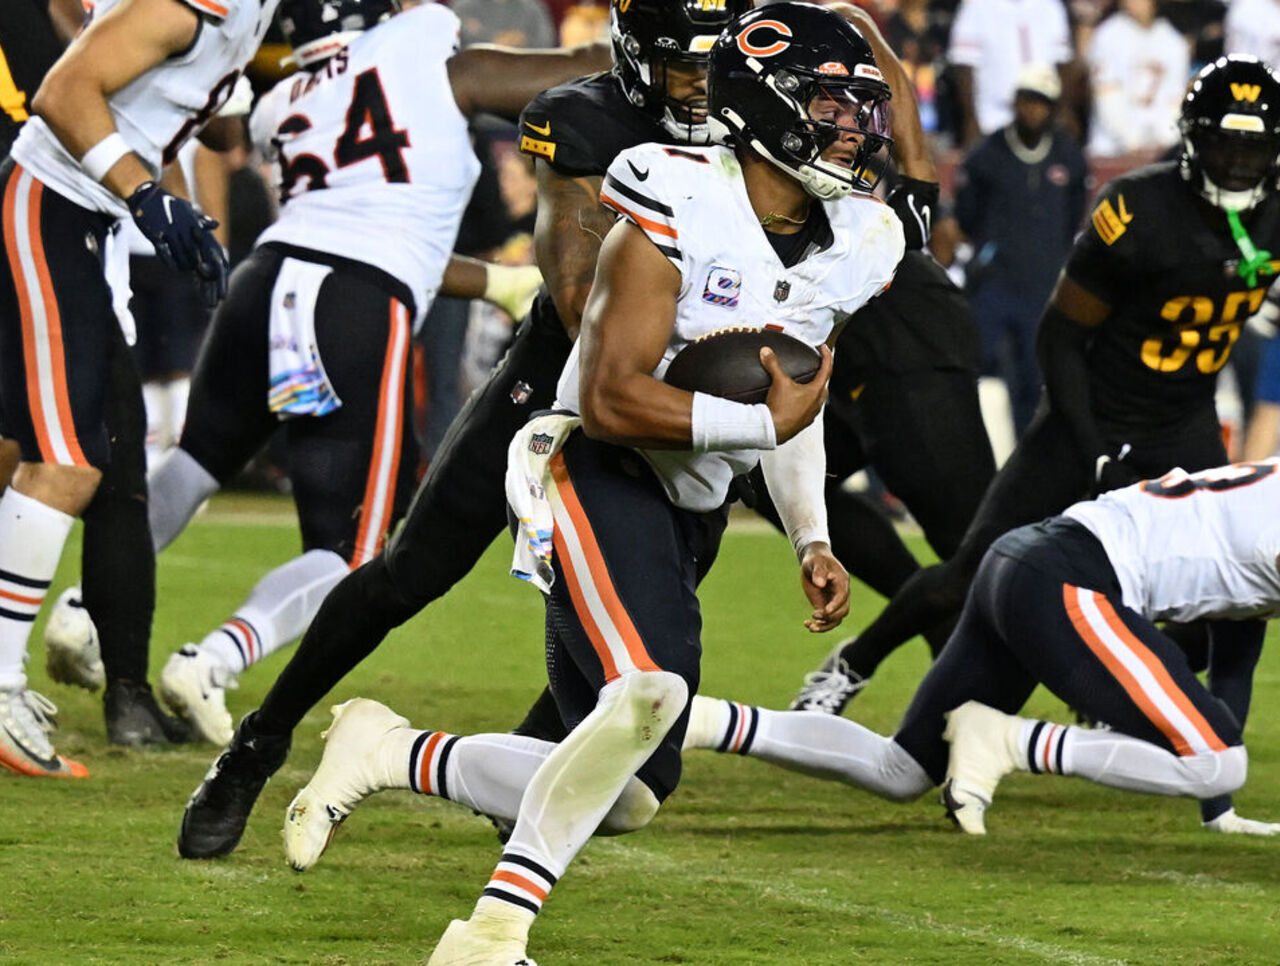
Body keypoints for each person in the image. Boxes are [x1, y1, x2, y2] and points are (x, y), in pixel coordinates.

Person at [282, 7, 903, 963]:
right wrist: (757, 425)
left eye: (861, 107)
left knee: (628, 791)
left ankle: (391, 752)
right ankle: (490, 934)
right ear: (764, 107)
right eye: (831, 103)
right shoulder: (672, 195)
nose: (856, 127)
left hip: (690, 504)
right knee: (647, 691)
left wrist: (810, 531)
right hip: (589, 467)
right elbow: (614, 398)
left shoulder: (861, 234)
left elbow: (795, 396)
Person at [174, 0, 752, 857]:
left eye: (717, 68)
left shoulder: (759, 129)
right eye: (683, 69)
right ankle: (259, 742)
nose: (703, 93)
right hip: (557, 390)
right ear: (638, 59)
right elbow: (574, 299)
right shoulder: (588, 118)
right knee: (409, 572)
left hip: (670, 420)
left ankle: (514, 775)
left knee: (637, 636)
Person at [40, 0, 601, 747]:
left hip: (265, 280)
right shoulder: (425, 52)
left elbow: (370, 222)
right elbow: (577, 74)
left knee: (196, 463)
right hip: (352, 305)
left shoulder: (285, 98)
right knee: (352, 550)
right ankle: (214, 658)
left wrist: (492, 283)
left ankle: (82, 609)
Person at [788, 51, 1280, 835]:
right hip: (1093, 415)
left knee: (1233, 610)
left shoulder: (1271, 210)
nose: (1238, 162)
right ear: (1192, 140)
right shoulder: (1139, 209)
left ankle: (1211, 792)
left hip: (1183, 422)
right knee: (974, 569)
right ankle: (852, 663)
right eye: (1226, 145)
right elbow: (1058, 338)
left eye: (1254, 149)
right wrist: (1091, 448)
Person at [686, 461, 1280, 837]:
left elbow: (1237, 642)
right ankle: (1006, 739)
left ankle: (701, 719)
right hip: (1074, 578)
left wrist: (1219, 812)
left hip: (1024, 560)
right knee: (1215, 760)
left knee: (899, 770)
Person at [0, 0, 274, 777]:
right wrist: (149, 195)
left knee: (47, 450)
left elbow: (222, 130)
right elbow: (63, 91)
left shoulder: (250, 15)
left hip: (89, 223)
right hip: (52, 203)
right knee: (70, 461)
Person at [955, 63, 1088, 436]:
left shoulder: (1068, 157)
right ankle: (967, 448)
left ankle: (1029, 460)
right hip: (993, 281)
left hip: (1042, 286)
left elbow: (1074, 215)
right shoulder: (988, 155)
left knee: (1036, 376)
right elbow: (968, 213)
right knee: (973, 367)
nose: (1033, 110)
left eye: (1042, 102)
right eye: (1027, 100)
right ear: (1015, 102)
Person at [946, 0, 1075, 148]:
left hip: (1041, 118)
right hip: (993, 117)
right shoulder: (976, 5)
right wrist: (971, 119)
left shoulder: (1050, 5)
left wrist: (1064, 110)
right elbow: (965, 67)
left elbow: (1062, 62)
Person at [1085, 0, 1188, 158]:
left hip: (1161, 151)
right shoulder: (1107, 36)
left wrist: (1166, 140)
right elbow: (1106, 98)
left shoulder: (1173, 41)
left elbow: (1176, 102)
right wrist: (1132, 141)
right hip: (1112, 150)